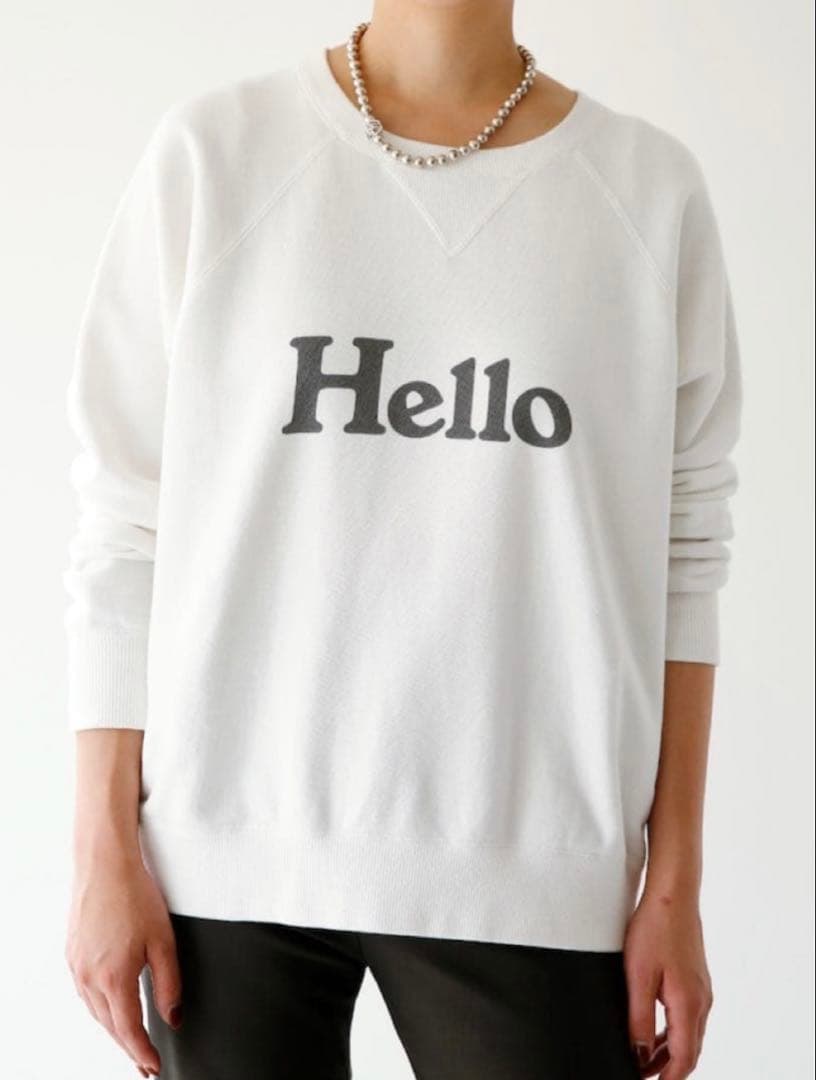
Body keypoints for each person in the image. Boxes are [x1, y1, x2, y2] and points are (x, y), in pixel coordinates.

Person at [62, 4, 742, 1078]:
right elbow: (123, 522)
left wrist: (677, 881)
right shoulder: (217, 154)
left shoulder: (647, 191)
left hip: (531, 859)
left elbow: (687, 550)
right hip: (225, 857)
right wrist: (102, 851)